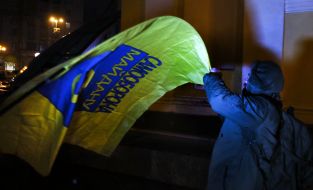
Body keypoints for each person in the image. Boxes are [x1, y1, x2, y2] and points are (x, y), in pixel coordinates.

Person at [203, 60, 313, 190]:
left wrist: (212, 78)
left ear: (259, 82)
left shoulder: (261, 109)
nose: (246, 80)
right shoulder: (269, 110)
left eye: (250, 76)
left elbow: (219, 100)